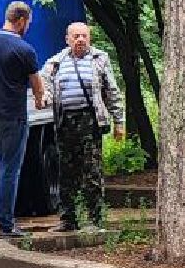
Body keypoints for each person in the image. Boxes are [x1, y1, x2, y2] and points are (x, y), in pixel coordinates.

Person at [0, 1, 46, 238]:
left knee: (4, 165)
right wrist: (39, 98)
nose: (28, 28)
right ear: (21, 20)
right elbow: (36, 82)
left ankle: (5, 220)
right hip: (14, 117)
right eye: (28, 23)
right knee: (10, 169)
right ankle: (6, 224)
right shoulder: (24, 50)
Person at [41, 22, 125, 233]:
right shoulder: (56, 62)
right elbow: (44, 88)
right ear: (67, 39)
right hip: (65, 123)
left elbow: (112, 91)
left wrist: (119, 121)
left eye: (84, 36)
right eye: (76, 36)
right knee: (66, 172)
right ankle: (68, 219)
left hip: (90, 122)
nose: (80, 39)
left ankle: (94, 220)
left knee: (91, 172)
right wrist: (44, 98)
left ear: (89, 38)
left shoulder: (99, 59)